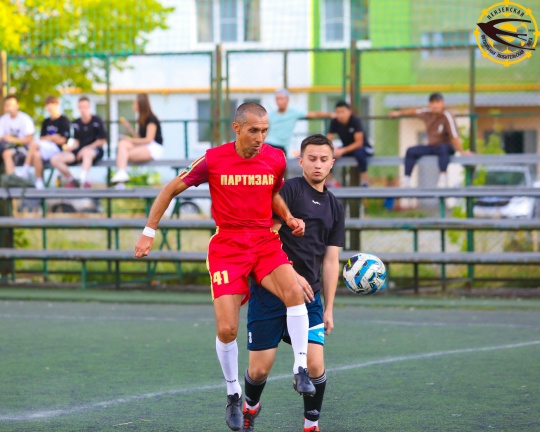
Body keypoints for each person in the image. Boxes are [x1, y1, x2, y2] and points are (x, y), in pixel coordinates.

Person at [134, 102, 315, 431]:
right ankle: (233, 393)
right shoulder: (213, 159)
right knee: (227, 329)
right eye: (253, 130)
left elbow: (272, 193)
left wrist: (288, 218)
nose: (260, 137)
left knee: (294, 292)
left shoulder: (275, 158)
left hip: (263, 241)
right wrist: (149, 232)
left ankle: (300, 369)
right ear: (237, 128)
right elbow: (170, 189)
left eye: (264, 131)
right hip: (228, 247)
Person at [242, 134, 345, 432]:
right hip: (271, 291)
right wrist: (289, 273)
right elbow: (266, 237)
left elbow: (330, 260)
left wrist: (329, 308)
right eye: (311, 159)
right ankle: (250, 406)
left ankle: (311, 424)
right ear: (300, 161)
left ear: (332, 163)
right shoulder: (289, 191)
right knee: (259, 370)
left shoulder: (335, 206)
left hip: (309, 296)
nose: (317, 164)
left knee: (315, 365)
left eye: (323, 159)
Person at [388, 93, 472, 188]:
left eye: (437, 102)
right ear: (429, 104)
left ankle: (443, 177)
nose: (435, 105)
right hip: (432, 146)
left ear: (443, 103)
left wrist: (461, 151)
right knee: (410, 151)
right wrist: (398, 113)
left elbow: (454, 136)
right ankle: (406, 180)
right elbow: (414, 111)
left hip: (446, 147)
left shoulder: (447, 116)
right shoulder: (426, 113)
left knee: (442, 148)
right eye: (433, 102)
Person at [50, 96, 107, 188]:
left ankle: (82, 179)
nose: (83, 109)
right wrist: (70, 148)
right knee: (55, 159)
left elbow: (101, 141)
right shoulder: (76, 123)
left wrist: (86, 148)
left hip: (94, 150)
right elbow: (77, 141)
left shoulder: (97, 120)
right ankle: (72, 180)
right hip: (79, 151)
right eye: (81, 107)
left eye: (85, 107)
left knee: (87, 153)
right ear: (78, 108)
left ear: (89, 107)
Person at [110, 93, 163, 188]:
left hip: (154, 148)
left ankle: (121, 182)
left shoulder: (151, 119)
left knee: (123, 155)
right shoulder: (141, 118)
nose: (133, 105)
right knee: (122, 143)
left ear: (141, 105)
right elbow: (140, 138)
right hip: (145, 145)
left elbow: (148, 139)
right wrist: (129, 128)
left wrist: (131, 140)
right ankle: (121, 176)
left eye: (135, 103)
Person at [265, 89, 334, 156]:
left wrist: (330, 114)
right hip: (268, 144)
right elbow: (265, 131)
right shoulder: (271, 115)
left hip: (281, 146)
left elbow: (313, 114)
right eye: (277, 99)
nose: (279, 102)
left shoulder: (293, 113)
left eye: (281, 99)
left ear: (287, 100)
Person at [21, 95, 70, 189]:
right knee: (36, 154)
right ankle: (39, 181)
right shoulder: (46, 121)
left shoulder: (63, 120)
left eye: (52, 104)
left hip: (56, 150)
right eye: (48, 104)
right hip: (44, 148)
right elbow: (41, 138)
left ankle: (25, 170)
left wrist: (49, 139)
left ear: (57, 105)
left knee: (34, 144)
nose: (50, 106)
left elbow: (63, 140)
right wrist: (52, 137)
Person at [327, 101, 373, 187]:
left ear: (349, 111)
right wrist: (333, 149)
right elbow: (328, 141)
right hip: (346, 148)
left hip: (363, 147)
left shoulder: (355, 120)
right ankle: (329, 182)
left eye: (343, 112)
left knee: (359, 153)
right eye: (338, 112)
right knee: (328, 153)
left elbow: (359, 143)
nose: (340, 115)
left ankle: (364, 181)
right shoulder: (334, 121)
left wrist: (342, 151)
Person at [0, 95, 35, 175]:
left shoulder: (25, 119)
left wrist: (12, 140)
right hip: (5, 147)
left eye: (12, 105)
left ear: (17, 105)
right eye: (8, 105)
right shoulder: (3, 120)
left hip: (23, 149)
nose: (10, 108)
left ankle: (11, 179)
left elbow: (29, 139)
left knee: (7, 153)